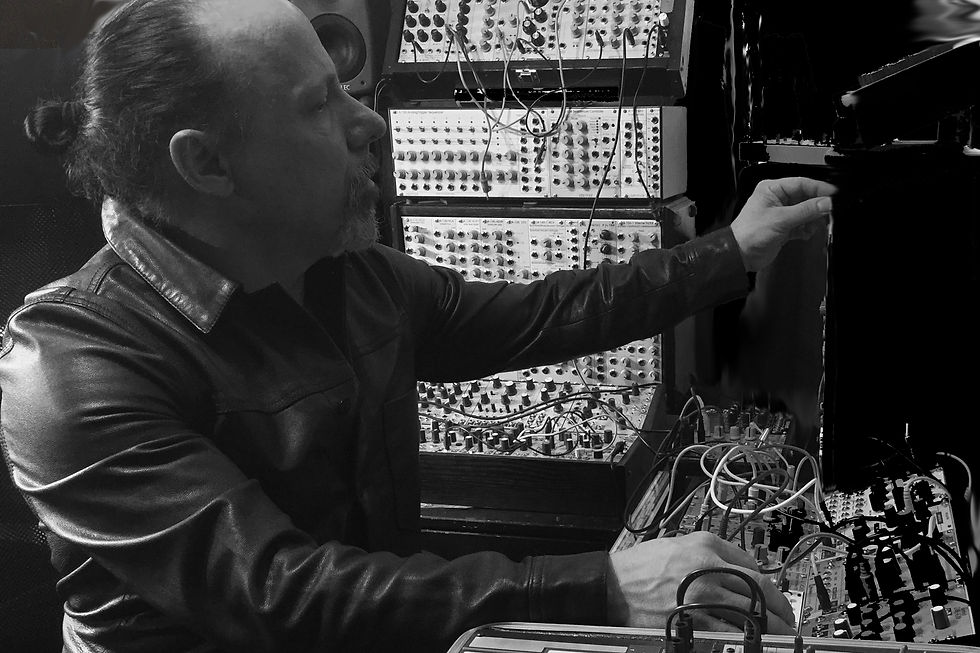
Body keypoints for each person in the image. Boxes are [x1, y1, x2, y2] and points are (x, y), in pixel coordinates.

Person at [0, 0, 836, 651]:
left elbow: (541, 314)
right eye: (319, 104)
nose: (369, 123)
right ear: (206, 162)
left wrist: (731, 250)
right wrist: (600, 587)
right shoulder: (71, 364)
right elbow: (281, 591)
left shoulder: (347, 275)